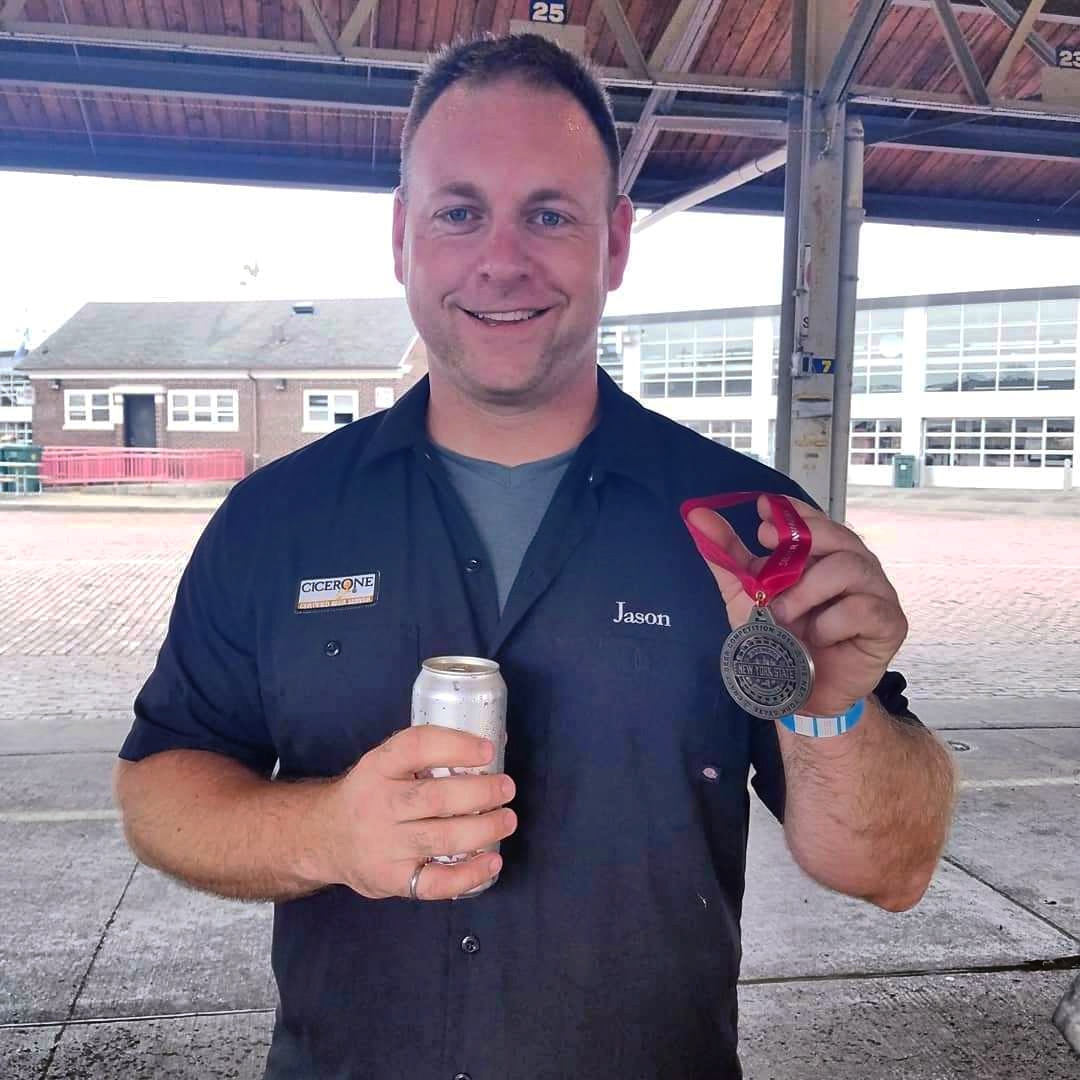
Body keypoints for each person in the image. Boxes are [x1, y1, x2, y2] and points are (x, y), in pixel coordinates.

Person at [114, 33, 957, 1080]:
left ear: (613, 244)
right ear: (403, 237)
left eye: (548, 214)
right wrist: (327, 832)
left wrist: (829, 709)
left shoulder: (751, 528)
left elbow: (890, 867)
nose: (501, 260)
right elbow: (160, 787)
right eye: (460, 212)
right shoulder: (276, 519)